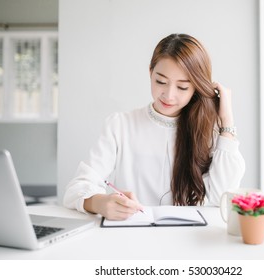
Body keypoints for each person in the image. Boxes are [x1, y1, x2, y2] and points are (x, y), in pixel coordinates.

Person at [63, 33, 245, 220]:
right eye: (161, 81)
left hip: (189, 241)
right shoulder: (120, 125)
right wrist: (100, 203)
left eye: (182, 87)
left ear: (196, 87)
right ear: (150, 73)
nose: (168, 95)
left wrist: (227, 122)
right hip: (132, 239)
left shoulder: (210, 132)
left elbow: (222, 197)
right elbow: (77, 188)